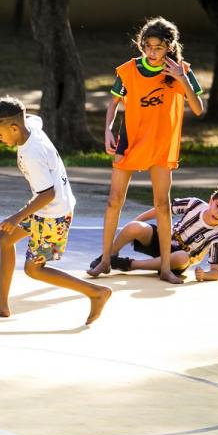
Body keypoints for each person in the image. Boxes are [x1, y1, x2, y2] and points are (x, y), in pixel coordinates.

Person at [87, 17, 205, 284]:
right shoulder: (129, 70)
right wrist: (108, 129)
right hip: (130, 141)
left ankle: (165, 268)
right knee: (113, 200)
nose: (152, 52)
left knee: (162, 206)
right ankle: (105, 260)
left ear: (169, 47)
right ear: (141, 45)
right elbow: (112, 105)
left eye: (158, 48)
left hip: (162, 144)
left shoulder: (180, 71)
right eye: (148, 46)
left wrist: (181, 78)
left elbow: (198, 109)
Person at [0, 98, 111, 325]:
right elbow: (30, 116)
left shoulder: (32, 154)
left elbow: (48, 194)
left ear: (14, 128)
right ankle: (0, 303)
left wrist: (17, 216)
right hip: (45, 206)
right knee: (6, 237)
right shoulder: (31, 127)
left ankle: (96, 292)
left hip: (53, 213)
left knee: (35, 269)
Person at [91, 183, 218, 282]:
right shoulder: (194, 204)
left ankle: (130, 265)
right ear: (211, 199)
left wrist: (205, 275)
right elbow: (161, 210)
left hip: (176, 261)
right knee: (134, 226)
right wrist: (135, 225)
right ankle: (107, 258)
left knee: (182, 257)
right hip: (163, 242)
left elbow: (216, 272)